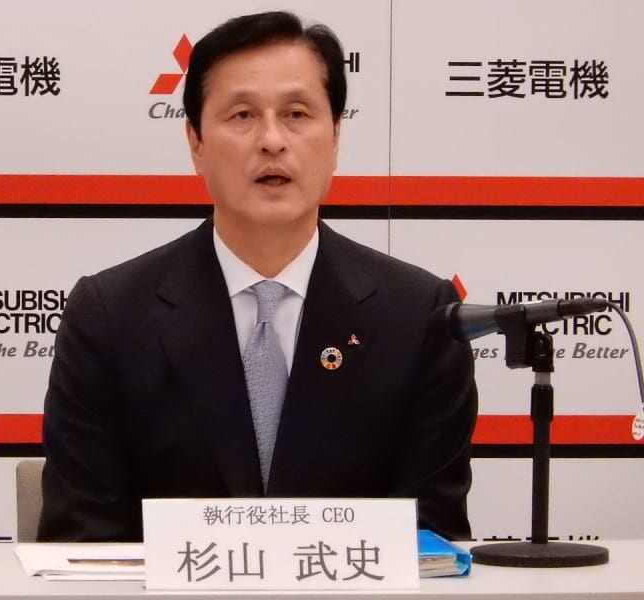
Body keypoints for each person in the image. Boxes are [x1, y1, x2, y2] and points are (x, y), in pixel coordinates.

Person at [37, 10, 477, 543]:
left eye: (297, 114)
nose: (272, 140)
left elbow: (430, 541)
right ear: (196, 143)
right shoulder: (111, 315)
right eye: (242, 115)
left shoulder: (418, 317)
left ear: (336, 137)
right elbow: (81, 541)